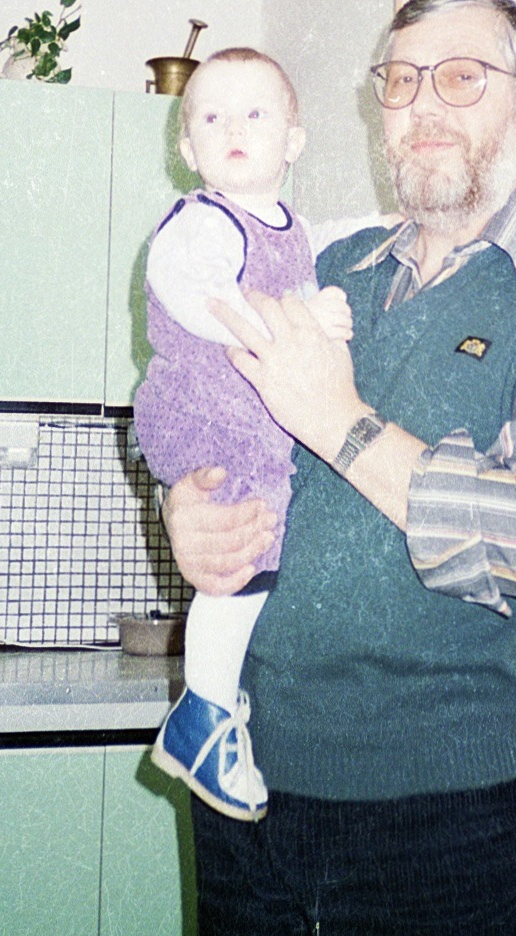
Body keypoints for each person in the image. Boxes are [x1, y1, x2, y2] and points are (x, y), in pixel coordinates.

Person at [162, 0, 516, 936]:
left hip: (447, 819)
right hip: (248, 785)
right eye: (399, 81)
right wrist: (187, 503)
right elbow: (208, 404)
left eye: (460, 77)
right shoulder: (327, 264)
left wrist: (340, 418)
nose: (421, 103)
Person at [133, 46, 354, 821]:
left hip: (243, 422)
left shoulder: (292, 224)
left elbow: (321, 254)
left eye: (255, 113)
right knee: (245, 554)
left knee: (256, 551)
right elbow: (196, 295)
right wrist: (292, 319)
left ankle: (213, 705)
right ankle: (204, 712)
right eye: (211, 116)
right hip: (202, 413)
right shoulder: (201, 222)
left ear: (293, 140)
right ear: (188, 150)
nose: (232, 127)